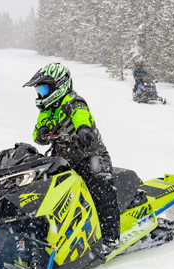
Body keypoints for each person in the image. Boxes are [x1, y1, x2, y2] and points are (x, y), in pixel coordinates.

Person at [23, 62, 120, 255]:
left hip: (91, 156)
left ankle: (110, 237)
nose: (40, 94)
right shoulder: (48, 110)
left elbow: (81, 116)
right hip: (64, 160)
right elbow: (37, 132)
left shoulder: (74, 102)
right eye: (38, 90)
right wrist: (41, 133)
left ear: (59, 85)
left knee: (100, 187)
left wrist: (83, 130)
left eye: (43, 89)